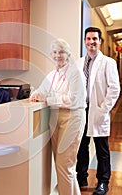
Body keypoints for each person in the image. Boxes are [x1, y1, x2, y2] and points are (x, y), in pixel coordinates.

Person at [30, 38, 86, 195]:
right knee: (64, 166)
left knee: (64, 164)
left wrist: (47, 99)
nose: (57, 55)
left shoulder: (75, 72)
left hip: (72, 117)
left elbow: (73, 100)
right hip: (56, 118)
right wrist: (35, 94)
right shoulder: (52, 74)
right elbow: (41, 90)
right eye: (54, 52)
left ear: (67, 54)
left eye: (61, 52)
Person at [76, 27, 121, 195]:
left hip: (98, 110)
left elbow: (114, 89)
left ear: (100, 41)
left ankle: (103, 182)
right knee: (81, 146)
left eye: (95, 39)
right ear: (85, 41)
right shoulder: (78, 63)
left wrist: (104, 109)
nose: (91, 42)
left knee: (102, 149)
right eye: (88, 39)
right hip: (82, 110)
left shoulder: (108, 62)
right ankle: (81, 177)